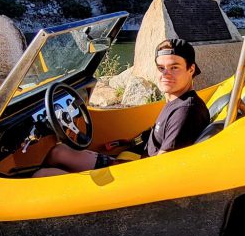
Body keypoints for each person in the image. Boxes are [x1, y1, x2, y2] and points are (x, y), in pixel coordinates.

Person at [34, 38, 210, 176]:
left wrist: (118, 167)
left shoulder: (186, 111)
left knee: (42, 175)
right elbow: (158, 132)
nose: (166, 74)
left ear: (191, 69)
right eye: (161, 68)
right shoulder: (177, 101)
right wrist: (128, 142)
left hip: (133, 176)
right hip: (134, 163)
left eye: (174, 67)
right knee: (58, 151)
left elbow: (162, 168)